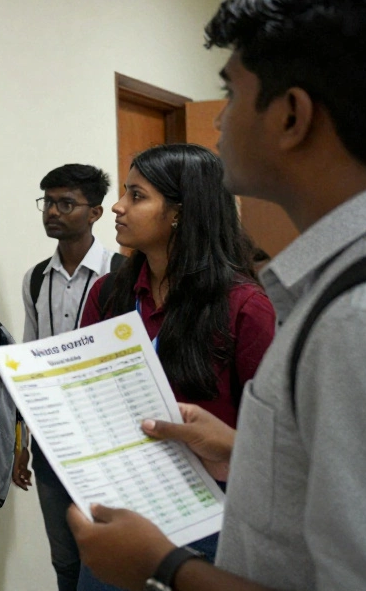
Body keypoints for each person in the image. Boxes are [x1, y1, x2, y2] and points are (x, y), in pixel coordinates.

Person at [67, 0, 366, 590]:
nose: (222, 117)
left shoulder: (353, 320)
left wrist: (165, 566)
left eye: (233, 92)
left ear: (291, 115)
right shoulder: (326, 293)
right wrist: (239, 449)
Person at [71, 143, 276, 591]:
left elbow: (276, 447)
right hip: (119, 510)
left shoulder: (245, 307)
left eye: (137, 196)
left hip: (204, 523)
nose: (118, 208)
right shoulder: (108, 294)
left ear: (181, 212)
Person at [11, 164, 122, 591]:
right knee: (64, 559)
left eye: (66, 204)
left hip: (106, 441)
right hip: (51, 438)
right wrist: (22, 443)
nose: (52, 212)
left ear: (94, 213)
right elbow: (28, 364)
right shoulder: (36, 277)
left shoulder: (123, 272)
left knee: (105, 559)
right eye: (48, 203)